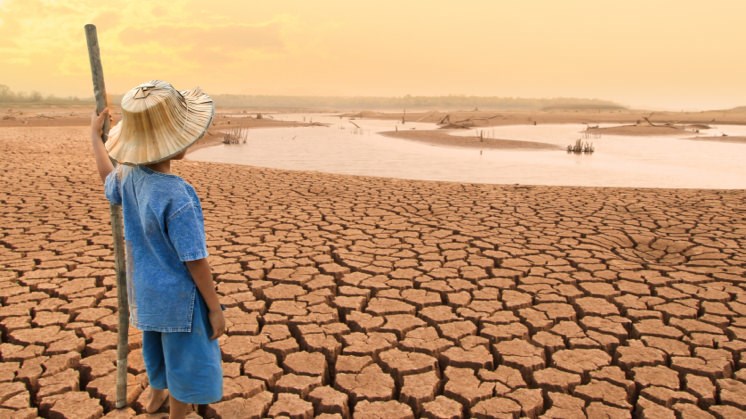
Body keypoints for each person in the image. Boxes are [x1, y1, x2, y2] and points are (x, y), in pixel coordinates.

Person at [90, 80, 224, 418]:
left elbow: (108, 177)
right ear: (177, 141)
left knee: (158, 353)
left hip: (145, 292)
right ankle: (178, 413)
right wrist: (214, 307)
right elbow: (194, 259)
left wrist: (96, 139)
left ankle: (155, 398)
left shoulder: (129, 175)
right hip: (180, 299)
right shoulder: (178, 195)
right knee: (184, 362)